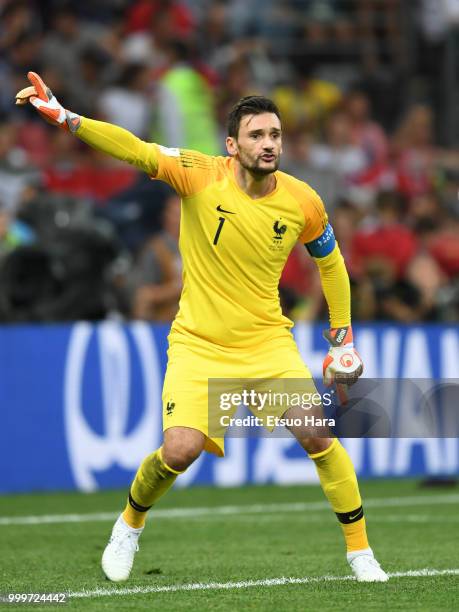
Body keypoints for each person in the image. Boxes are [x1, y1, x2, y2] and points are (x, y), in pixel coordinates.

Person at [16, 71, 388, 584]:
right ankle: (129, 524)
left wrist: (342, 337)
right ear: (232, 145)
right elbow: (133, 149)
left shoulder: (303, 201)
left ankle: (360, 552)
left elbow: (332, 264)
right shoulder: (197, 173)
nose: (268, 144)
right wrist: (66, 117)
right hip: (199, 344)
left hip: (265, 343)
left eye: (275, 135)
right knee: (179, 451)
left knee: (318, 434)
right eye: (257, 135)